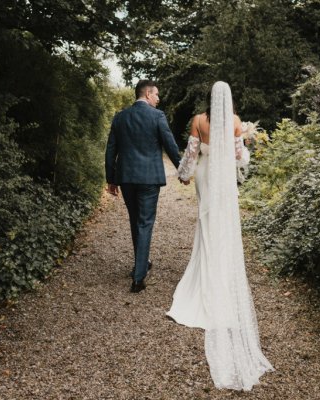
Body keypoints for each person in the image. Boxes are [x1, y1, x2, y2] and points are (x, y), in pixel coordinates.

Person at [167, 82, 273, 390]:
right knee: (224, 226)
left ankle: (204, 274)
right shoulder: (237, 122)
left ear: (210, 99)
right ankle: (222, 275)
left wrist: (184, 175)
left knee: (207, 223)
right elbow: (240, 158)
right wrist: (240, 155)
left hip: (204, 175)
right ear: (229, 100)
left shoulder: (200, 120)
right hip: (224, 178)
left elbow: (191, 153)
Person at [105, 80, 181, 293]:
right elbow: (171, 146)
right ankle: (139, 277)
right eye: (156, 94)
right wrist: (182, 170)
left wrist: (111, 179)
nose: (158, 98)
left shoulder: (120, 117)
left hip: (127, 177)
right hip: (149, 178)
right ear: (147, 94)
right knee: (145, 222)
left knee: (135, 220)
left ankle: (142, 263)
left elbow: (111, 150)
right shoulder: (157, 116)